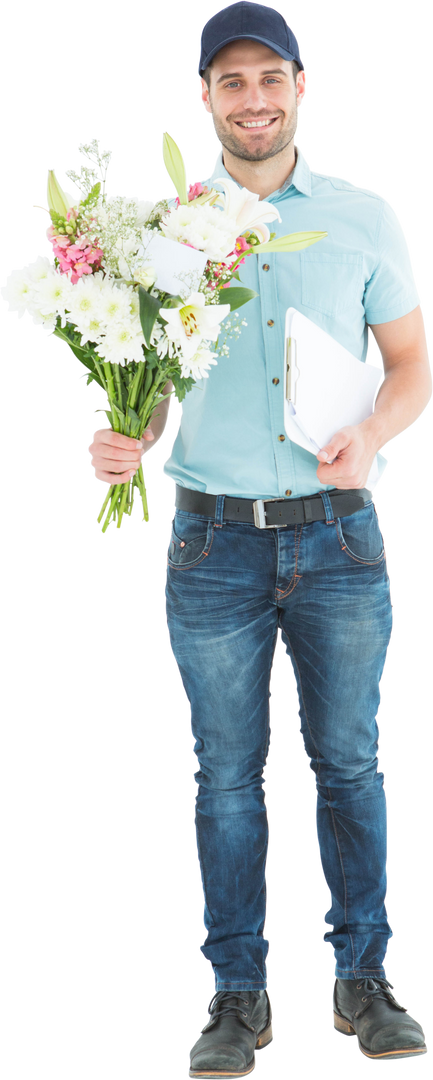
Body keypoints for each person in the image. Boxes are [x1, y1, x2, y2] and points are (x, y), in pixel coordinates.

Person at [86, 2, 431, 1072]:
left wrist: (369, 427)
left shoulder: (366, 216)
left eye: (268, 77)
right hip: (209, 548)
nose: (251, 99)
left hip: (339, 541)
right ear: (202, 98)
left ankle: (362, 980)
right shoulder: (158, 231)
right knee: (225, 780)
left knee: (350, 768)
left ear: (301, 85)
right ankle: (236, 997)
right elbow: (146, 385)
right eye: (228, 82)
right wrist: (123, 439)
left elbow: (412, 368)